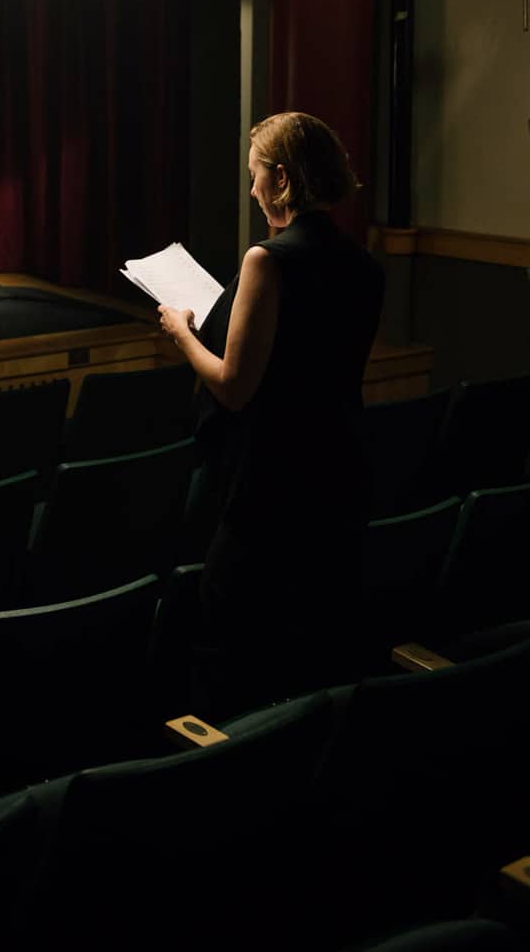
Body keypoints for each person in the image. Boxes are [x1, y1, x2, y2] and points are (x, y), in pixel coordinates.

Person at [158, 111, 385, 715]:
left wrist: (181, 332)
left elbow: (235, 388)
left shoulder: (268, 261)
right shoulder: (364, 266)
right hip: (338, 479)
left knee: (232, 656)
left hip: (271, 488)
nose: (252, 187)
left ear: (281, 179)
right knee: (309, 657)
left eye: (256, 174)